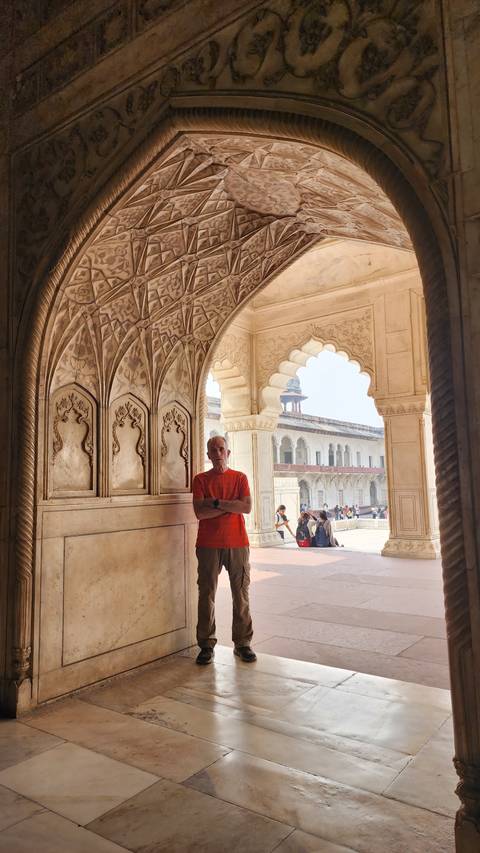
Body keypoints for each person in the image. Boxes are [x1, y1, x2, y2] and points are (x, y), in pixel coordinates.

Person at [192, 435, 256, 666]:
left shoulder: (240, 478)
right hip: (208, 544)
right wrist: (231, 506)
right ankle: (206, 645)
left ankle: (242, 643)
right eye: (213, 450)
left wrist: (216, 502)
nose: (218, 453)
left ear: (228, 453)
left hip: (237, 542)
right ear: (208, 455)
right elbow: (200, 513)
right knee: (206, 594)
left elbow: (246, 507)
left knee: (241, 593)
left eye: (221, 449)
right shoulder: (200, 480)